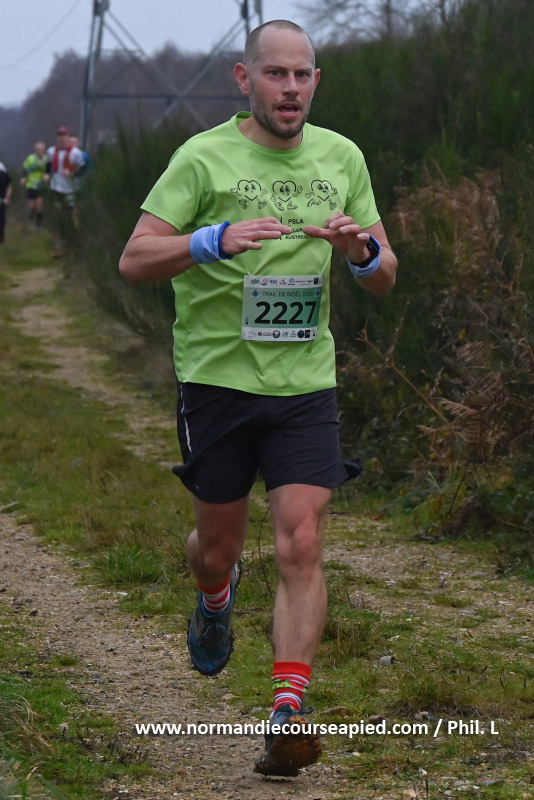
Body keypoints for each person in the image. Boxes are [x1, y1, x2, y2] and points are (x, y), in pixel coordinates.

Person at [119, 19, 397, 777]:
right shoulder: (202, 157)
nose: (291, 89)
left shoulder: (342, 157)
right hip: (216, 383)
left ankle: (287, 712)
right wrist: (210, 241)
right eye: (276, 74)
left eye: (303, 75)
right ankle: (215, 598)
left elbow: (385, 273)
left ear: (317, 81)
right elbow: (134, 259)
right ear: (245, 80)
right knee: (218, 549)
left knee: (301, 538)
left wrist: (360, 252)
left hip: (305, 384)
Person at [47, 126, 85, 235]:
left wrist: (72, 173)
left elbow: (83, 169)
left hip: (70, 188)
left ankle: (76, 233)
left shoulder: (76, 153)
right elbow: (48, 165)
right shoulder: (51, 151)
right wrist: (47, 174)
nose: (62, 138)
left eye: (64, 135)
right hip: (56, 187)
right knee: (57, 211)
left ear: (68, 137)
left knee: (72, 211)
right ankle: (58, 235)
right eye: (59, 136)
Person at [20, 141, 49, 227]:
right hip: (31, 184)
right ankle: (30, 219)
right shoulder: (30, 158)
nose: (40, 151)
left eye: (42, 149)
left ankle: (38, 224)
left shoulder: (47, 159)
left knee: (39, 204)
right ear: (35, 150)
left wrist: (47, 176)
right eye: (38, 149)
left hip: (41, 185)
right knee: (32, 205)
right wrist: (24, 178)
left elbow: (49, 170)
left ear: (44, 150)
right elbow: (24, 170)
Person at [0, 160, 12, 245]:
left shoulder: (4, 175)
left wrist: (7, 198)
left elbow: (9, 187)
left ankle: (1, 236)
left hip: (2, 201)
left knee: (1, 219)